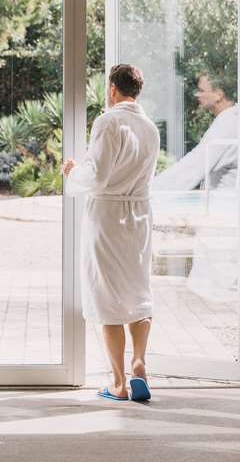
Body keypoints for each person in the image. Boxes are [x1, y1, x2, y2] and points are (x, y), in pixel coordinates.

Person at [62, 64, 160, 402]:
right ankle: (139, 362)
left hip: (107, 216)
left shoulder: (108, 122)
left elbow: (98, 176)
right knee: (137, 290)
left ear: (113, 89)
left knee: (108, 297)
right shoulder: (150, 127)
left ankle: (119, 383)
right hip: (140, 215)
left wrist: (73, 171)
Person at [151, 73, 238, 191]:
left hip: (226, 200)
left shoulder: (228, 123)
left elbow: (194, 165)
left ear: (219, 95)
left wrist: (151, 190)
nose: (197, 95)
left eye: (202, 91)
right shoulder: (231, 119)